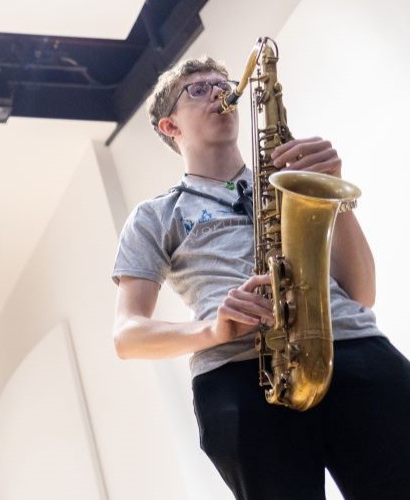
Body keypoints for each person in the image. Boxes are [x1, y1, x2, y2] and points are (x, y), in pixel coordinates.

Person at [111, 56, 410, 498]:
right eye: (197, 89)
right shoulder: (154, 216)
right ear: (170, 127)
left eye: (222, 82)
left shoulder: (295, 181)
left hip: (355, 348)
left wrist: (334, 188)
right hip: (241, 372)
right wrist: (211, 329)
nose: (218, 91)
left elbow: (361, 293)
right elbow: (127, 336)